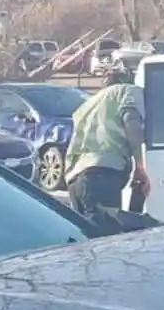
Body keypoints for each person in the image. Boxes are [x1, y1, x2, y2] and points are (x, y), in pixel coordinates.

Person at [64, 64, 150, 225]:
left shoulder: (88, 104)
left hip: (74, 180)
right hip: (101, 174)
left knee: (87, 241)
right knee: (106, 242)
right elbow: (131, 122)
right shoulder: (129, 91)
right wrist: (140, 167)